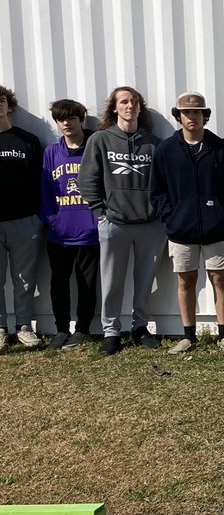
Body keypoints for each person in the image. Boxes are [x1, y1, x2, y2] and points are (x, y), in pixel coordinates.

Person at [150, 92, 224, 354]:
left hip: (218, 231)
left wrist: (223, 215)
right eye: (186, 112)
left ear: (205, 115)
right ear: (178, 116)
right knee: (186, 281)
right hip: (181, 231)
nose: (191, 117)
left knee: (220, 279)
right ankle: (188, 336)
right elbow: (157, 192)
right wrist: (171, 219)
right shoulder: (166, 151)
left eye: (196, 112)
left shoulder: (221, 149)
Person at [78, 86, 165, 355]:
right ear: (115, 108)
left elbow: (164, 184)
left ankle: (139, 328)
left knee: (145, 281)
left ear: (140, 108)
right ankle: (111, 332)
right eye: (124, 102)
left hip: (150, 225)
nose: (130, 106)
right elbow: (87, 180)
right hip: (114, 224)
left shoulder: (154, 143)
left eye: (134, 102)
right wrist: (100, 214)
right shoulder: (101, 140)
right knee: (112, 281)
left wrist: (160, 214)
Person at [40, 99, 99, 350]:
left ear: (81, 120)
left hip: (90, 233)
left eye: (71, 118)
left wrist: (97, 221)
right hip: (59, 234)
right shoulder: (51, 153)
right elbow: (45, 192)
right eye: (60, 119)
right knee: (58, 283)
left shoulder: (94, 148)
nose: (66, 123)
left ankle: (82, 329)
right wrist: (52, 220)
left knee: (87, 284)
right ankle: (61, 329)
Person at [0, 85, 44, 350]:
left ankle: (24, 327)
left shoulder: (27, 140)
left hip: (25, 221)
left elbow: (40, 181)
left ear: (9, 106)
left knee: (24, 279)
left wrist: (37, 216)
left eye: (1, 100)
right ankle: (1, 329)